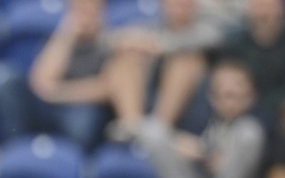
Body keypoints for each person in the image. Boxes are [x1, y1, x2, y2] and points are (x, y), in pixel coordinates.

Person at [134, 58, 265, 178]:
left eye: (235, 92)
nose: (229, 96)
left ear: (250, 95)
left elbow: (245, 169)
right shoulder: (206, 117)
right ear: (212, 97)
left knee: (248, 132)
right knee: (151, 131)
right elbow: (192, 146)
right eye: (222, 93)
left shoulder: (261, 120)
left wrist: (209, 156)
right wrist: (192, 149)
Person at [101, 0, 238, 141]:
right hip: (151, 89)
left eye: (184, 4)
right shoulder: (155, 25)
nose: (179, 8)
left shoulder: (205, 24)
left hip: (196, 96)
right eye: (174, 3)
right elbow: (107, 39)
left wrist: (158, 45)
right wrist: (128, 42)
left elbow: (212, 37)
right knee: (124, 61)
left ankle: (159, 127)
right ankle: (132, 125)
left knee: (185, 60)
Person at [0, 0, 112, 151]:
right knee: (10, 82)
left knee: (84, 119)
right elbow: (41, 81)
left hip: (81, 107)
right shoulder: (60, 39)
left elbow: (106, 88)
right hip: (49, 104)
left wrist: (58, 93)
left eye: (92, 9)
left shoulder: (110, 43)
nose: (86, 14)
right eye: (80, 9)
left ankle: (71, 163)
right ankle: (14, 151)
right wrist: (66, 35)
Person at [216, 0, 285, 128]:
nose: (263, 13)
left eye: (269, 7)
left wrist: (259, 104)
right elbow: (226, 76)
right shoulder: (235, 42)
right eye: (258, 6)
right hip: (239, 105)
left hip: (278, 111)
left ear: (281, 10)